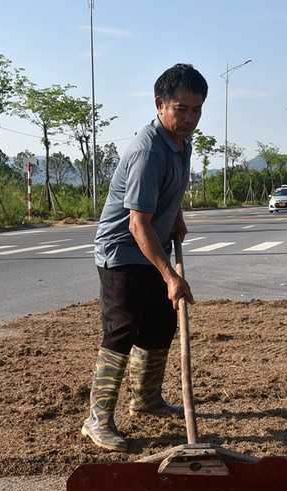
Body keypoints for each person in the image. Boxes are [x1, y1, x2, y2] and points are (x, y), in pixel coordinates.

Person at [82, 63, 208, 452]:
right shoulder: (147, 150)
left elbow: (164, 194)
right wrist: (171, 276)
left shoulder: (182, 143)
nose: (189, 119)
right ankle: (97, 419)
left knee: (159, 327)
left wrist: (178, 216)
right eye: (181, 109)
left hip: (155, 243)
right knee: (122, 331)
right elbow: (137, 225)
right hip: (123, 252)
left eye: (196, 110)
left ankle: (146, 399)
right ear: (160, 104)